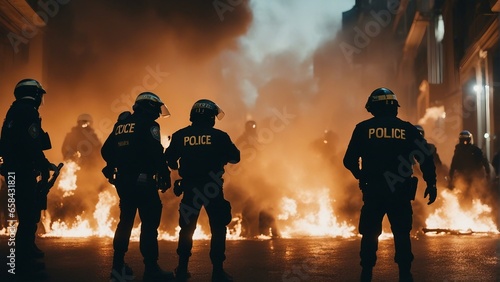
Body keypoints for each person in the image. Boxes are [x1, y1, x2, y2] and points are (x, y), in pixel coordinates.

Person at [343, 87, 437, 282]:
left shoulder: (362, 129)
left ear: (373, 107)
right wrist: (432, 183)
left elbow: (349, 160)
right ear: (394, 107)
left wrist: (360, 175)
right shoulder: (408, 129)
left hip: (373, 191)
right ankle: (405, 274)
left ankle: (366, 273)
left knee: (370, 233)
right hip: (400, 192)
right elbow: (426, 158)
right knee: (402, 233)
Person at [101, 92, 174, 282]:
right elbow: (155, 152)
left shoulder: (122, 125)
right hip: (143, 181)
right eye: (157, 109)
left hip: (123, 181)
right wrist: (165, 174)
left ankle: (117, 267)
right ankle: (151, 268)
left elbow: (106, 150)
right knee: (149, 225)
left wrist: (116, 164)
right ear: (149, 107)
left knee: (125, 222)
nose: (158, 113)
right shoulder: (150, 125)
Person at [164, 99, 240, 282]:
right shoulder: (220, 136)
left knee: (187, 229)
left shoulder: (180, 135)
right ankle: (218, 272)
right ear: (210, 118)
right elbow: (235, 157)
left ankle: (182, 270)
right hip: (212, 188)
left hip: (190, 188)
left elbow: (170, 160)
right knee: (218, 228)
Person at [0, 78, 60, 279]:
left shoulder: (14, 112)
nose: (40, 98)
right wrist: (44, 165)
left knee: (27, 215)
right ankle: (21, 262)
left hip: (14, 171)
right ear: (33, 94)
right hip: (23, 172)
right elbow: (32, 144)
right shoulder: (28, 113)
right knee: (28, 217)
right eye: (39, 94)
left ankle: (27, 250)